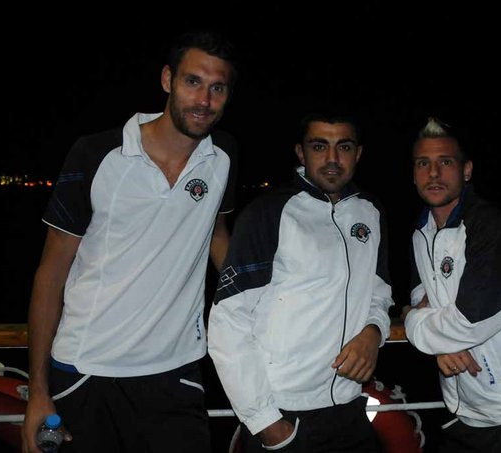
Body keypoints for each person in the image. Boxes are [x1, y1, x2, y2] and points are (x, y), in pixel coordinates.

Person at [22, 29, 238, 453]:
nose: (204, 100)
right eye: (193, 82)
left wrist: (256, 302)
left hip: (176, 372)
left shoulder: (223, 156)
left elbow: (216, 232)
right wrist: (38, 391)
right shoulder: (95, 154)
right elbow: (50, 275)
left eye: (218, 88)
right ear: (167, 80)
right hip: (87, 370)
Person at [208, 112, 394, 452]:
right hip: (283, 413)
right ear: (301, 152)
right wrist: (266, 423)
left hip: (350, 406)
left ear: (358, 153)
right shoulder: (268, 212)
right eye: (319, 146)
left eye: (344, 147)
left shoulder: (370, 211)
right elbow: (227, 321)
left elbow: (379, 292)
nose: (332, 159)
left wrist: (374, 331)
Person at [402, 117, 501, 452]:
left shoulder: (492, 228)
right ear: (413, 174)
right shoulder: (422, 230)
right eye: (423, 163)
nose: (433, 173)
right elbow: (421, 291)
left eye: (446, 162)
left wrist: (413, 322)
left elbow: (469, 321)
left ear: (467, 170)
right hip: (464, 406)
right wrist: (441, 344)